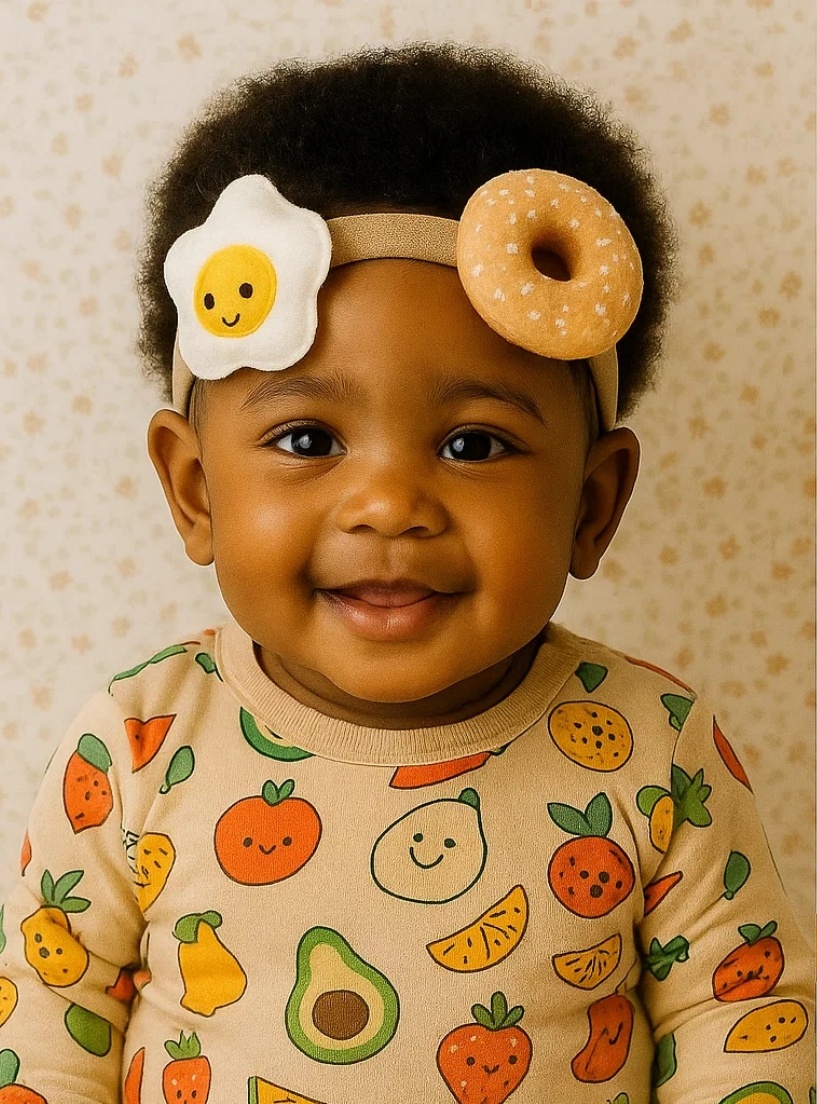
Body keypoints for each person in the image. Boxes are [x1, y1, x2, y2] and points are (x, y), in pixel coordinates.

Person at [0, 43, 812, 1104]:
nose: (388, 504)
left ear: (591, 502)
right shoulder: (138, 746)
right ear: (195, 489)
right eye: (305, 439)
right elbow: (47, 1026)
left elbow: (740, 1017)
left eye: (473, 445)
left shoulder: (657, 754)